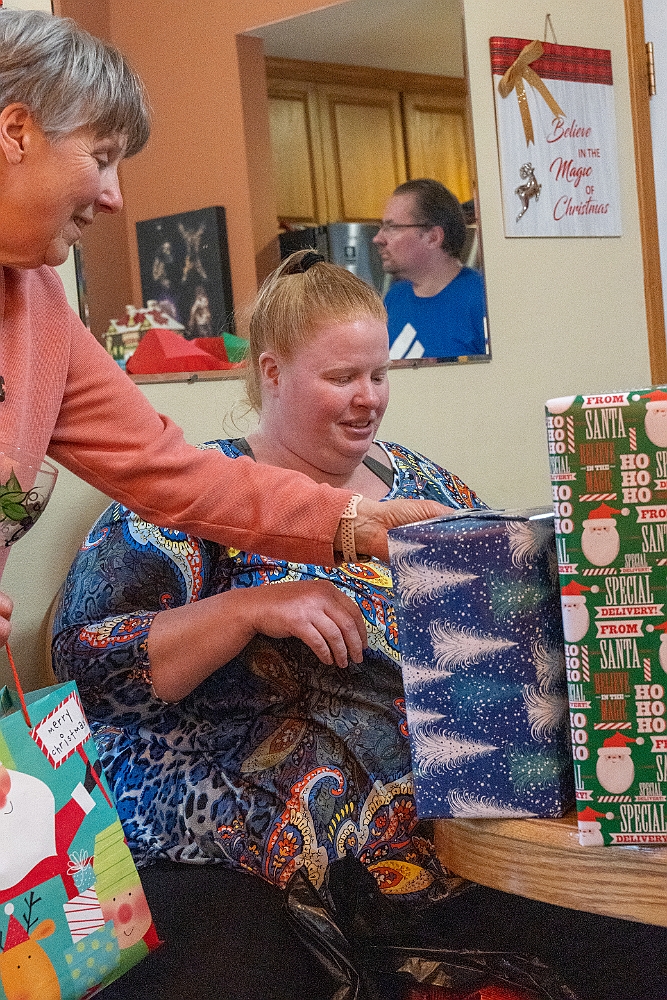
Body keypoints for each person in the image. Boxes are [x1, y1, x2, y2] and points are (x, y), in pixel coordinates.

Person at [0, 10, 449, 650]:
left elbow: (173, 474)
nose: (114, 197)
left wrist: (356, 525)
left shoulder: (39, 303)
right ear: (16, 132)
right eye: (101, 159)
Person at [52, 251, 485, 910]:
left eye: (377, 374)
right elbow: (87, 675)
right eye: (341, 377)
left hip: (461, 833)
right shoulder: (192, 496)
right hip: (257, 867)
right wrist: (247, 609)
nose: (368, 397)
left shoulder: (425, 484)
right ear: (272, 372)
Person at [373, 178, 487, 360]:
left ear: (433, 237)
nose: (378, 239)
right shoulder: (394, 298)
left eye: (392, 227)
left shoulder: (483, 298)